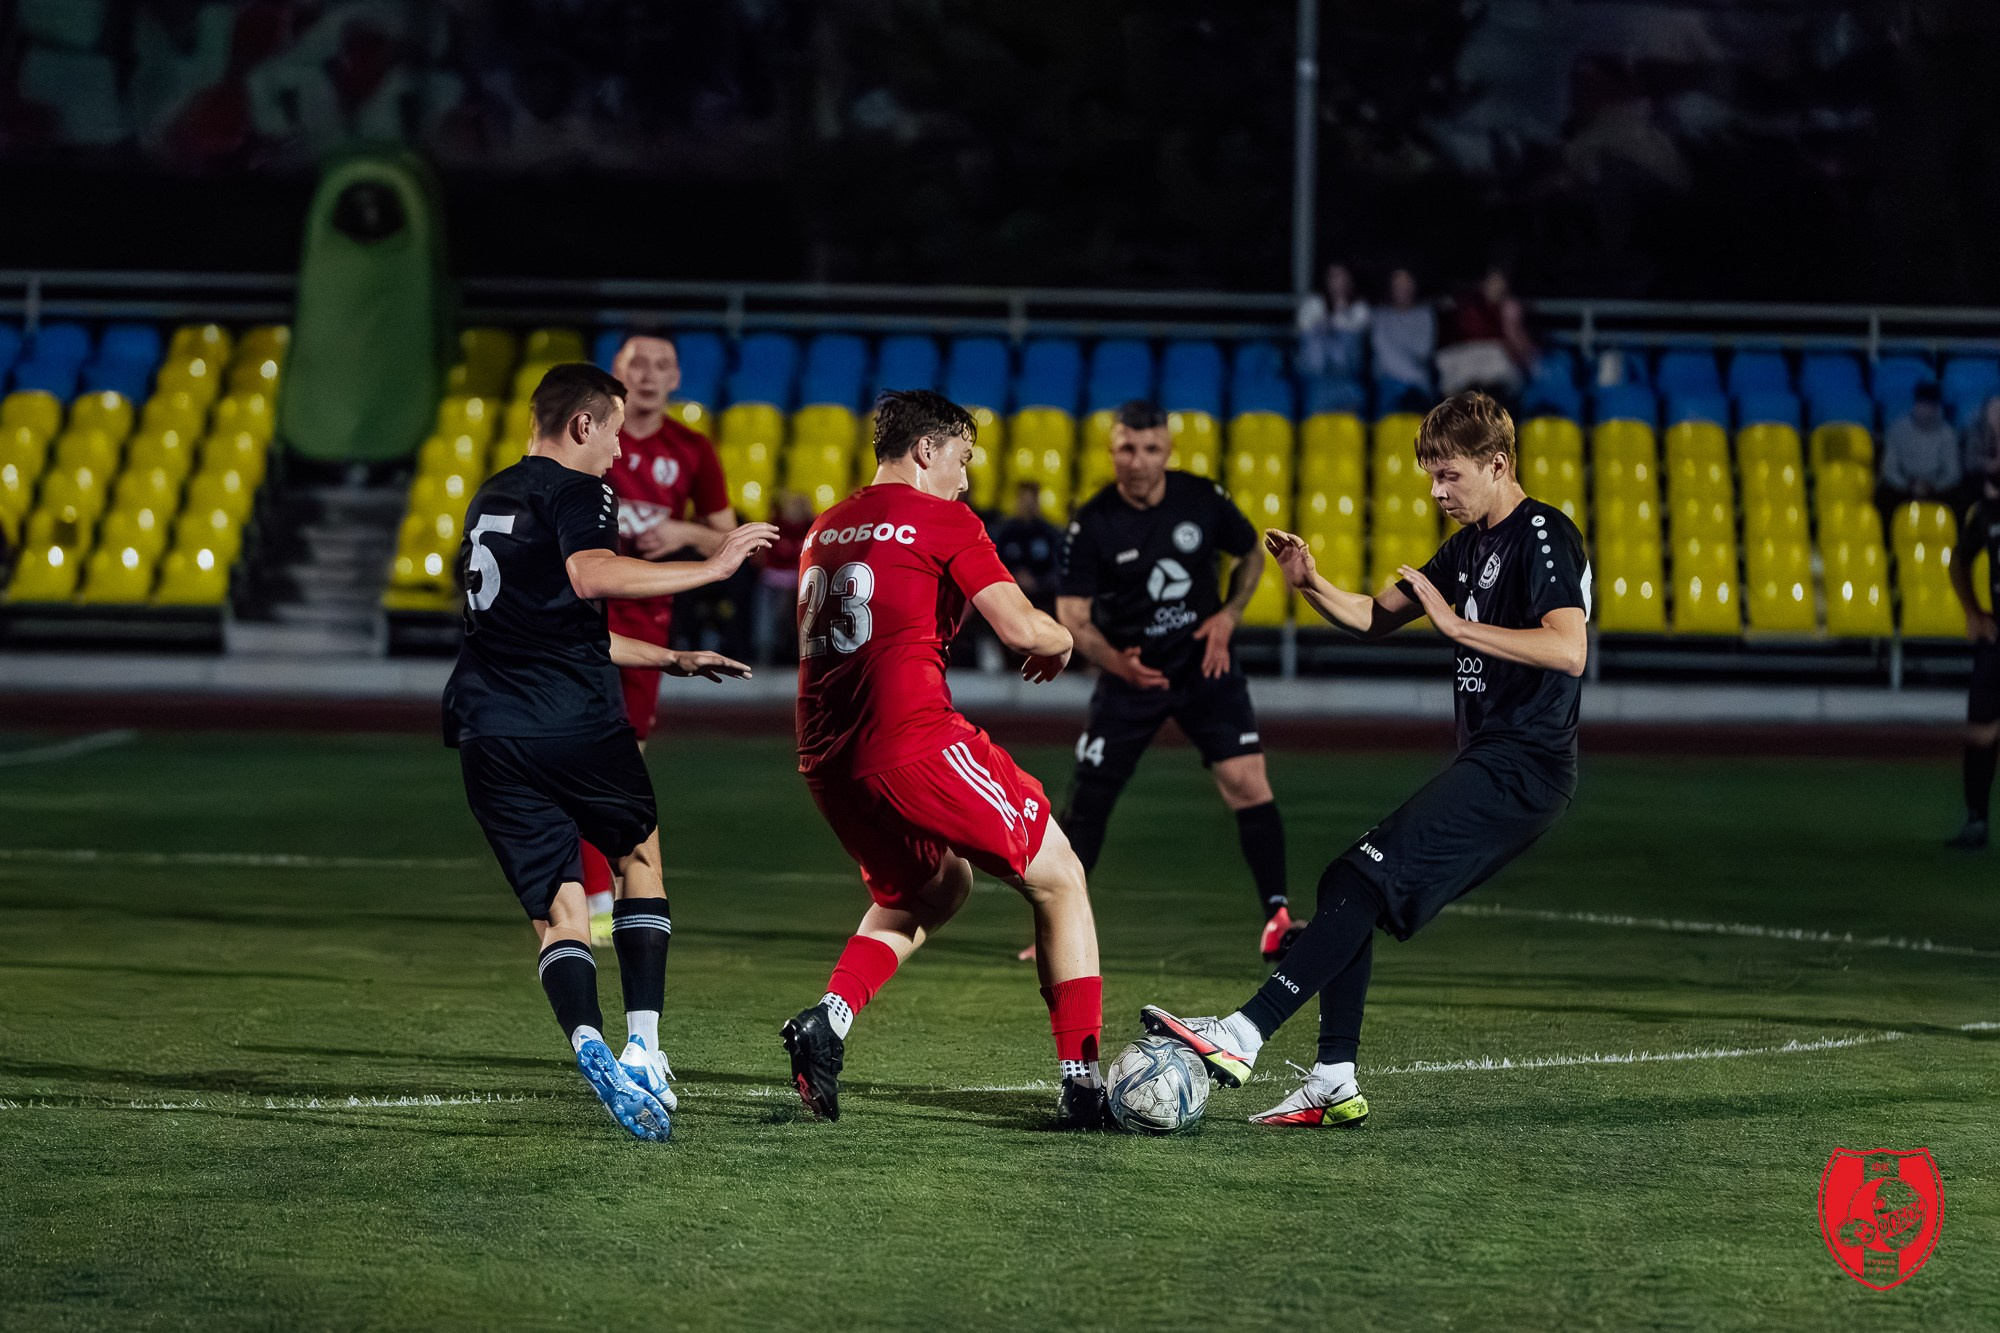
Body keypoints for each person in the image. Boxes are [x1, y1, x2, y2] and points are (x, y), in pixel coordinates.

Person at [1140, 392, 1589, 1129]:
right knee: (1346, 879)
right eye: (1431, 478)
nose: (1438, 492)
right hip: (1497, 759)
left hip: (1525, 765)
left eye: (1449, 476)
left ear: (1498, 464)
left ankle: (1244, 1034)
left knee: (1362, 876)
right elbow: (1376, 617)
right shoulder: (1472, 542)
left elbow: (1567, 647)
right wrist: (1313, 581)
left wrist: (1450, 623)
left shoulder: (1544, 535)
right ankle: (1332, 1079)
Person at [444, 363, 776, 1140]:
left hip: (487, 730)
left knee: (561, 911)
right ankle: (646, 1049)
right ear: (583, 425)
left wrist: (674, 658)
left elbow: (559, 628)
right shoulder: (580, 489)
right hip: (572, 719)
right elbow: (589, 576)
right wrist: (713, 566)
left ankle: (586, 1038)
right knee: (639, 857)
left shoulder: (490, 495)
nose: (621, 451)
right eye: (616, 431)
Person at [780, 389, 1114, 1129]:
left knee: (936, 886)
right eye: (962, 459)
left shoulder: (826, 527)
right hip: (911, 741)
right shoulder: (943, 515)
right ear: (926, 451)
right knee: (1060, 876)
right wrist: (1062, 640)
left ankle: (827, 1021)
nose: (966, 480)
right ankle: (1083, 1083)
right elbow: (1023, 627)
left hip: (826, 757)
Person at [1054, 399, 1300, 962]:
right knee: (1089, 799)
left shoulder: (1201, 498)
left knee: (1247, 780)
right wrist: (1117, 663)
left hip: (1203, 667)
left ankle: (1278, 917)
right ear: (1111, 450)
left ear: (1166, 451)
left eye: (1150, 450)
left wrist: (1229, 615)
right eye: (1126, 449)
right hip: (1130, 674)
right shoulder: (1091, 523)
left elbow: (1250, 557)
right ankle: (1055, 925)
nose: (1137, 461)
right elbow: (1072, 615)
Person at [576, 334, 737, 944]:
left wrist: (680, 531)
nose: (647, 374)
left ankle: (606, 896)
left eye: (661, 365)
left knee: (619, 768)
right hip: (579, 619)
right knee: (582, 759)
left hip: (646, 629)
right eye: (636, 363)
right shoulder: (587, 435)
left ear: (676, 378)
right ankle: (596, 901)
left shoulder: (692, 450)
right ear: (614, 372)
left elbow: (724, 541)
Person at [1945, 461, 2000, 850]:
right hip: (1998, 638)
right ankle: (1976, 822)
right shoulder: (1988, 514)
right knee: (1981, 731)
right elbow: (1959, 561)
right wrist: (1973, 613)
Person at [1437, 267, 1537, 398]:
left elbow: (1516, 344)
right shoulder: (1467, 302)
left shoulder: (1507, 308)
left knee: (1508, 371)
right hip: (1460, 355)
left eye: (1501, 283)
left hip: (1492, 356)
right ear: (1484, 283)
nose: (1496, 287)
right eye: (1493, 282)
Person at [1877, 382, 1962, 518]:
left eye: (1931, 405)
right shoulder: (1897, 429)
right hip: (1904, 485)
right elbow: (1889, 468)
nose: (1926, 410)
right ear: (1916, 405)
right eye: (1923, 404)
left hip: (1936, 487)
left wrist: (1932, 486)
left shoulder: (1948, 433)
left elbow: (1953, 473)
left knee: (1959, 497)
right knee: (1884, 495)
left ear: (1937, 407)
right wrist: (1907, 485)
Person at [990, 480, 1065, 613]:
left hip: (1042, 599)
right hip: (1009, 598)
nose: (1027, 505)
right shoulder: (1002, 533)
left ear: (1037, 501)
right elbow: (991, 566)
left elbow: (1059, 571)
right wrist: (1015, 578)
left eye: (1031, 500)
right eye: (1023, 500)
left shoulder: (1051, 534)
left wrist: (1038, 582)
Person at [1371, 268, 1437, 411]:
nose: (1403, 289)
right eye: (1398, 285)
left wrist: (1396, 348)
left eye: (1407, 283)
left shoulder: (1425, 315)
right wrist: (1412, 369)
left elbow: (1423, 351)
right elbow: (1383, 352)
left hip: (1418, 386)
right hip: (1390, 383)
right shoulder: (1380, 316)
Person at [1296, 262, 1372, 383]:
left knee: (1346, 341)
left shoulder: (1360, 306)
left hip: (1347, 366)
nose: (1339, 282)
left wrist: (1341, 307)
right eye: (1334, 277)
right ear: (1326, 279)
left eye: (1343, 277)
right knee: (1315, 340)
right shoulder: (1313, 302)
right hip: (1317, 365)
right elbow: (1304, 329)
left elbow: (1356, 330)